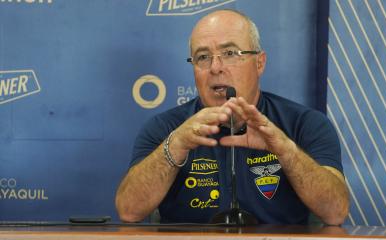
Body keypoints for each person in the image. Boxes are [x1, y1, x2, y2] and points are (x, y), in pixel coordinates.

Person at [115, 9, 349, 225]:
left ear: (259, 63)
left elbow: (336, 211)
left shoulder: (305, 124)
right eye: (203, 57)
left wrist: (286, 150)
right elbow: (129, 210)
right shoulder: (165, 127)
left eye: (229, 53)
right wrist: (175, 146)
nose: (215, 67)